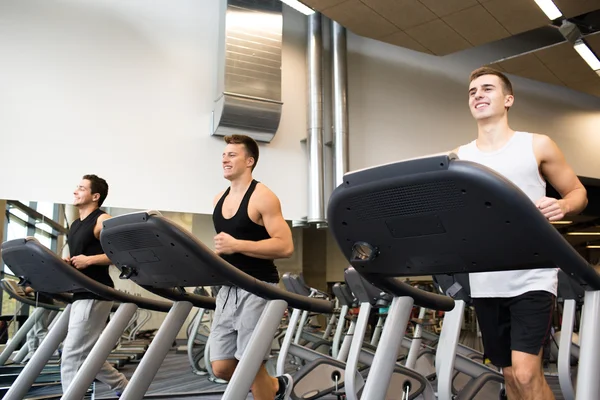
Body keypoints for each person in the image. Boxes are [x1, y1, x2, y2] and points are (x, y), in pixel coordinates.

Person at [451, 67, 588, 400]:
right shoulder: (458, 158)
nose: (478, 95)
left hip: (531, 276)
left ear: (508, 99)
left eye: (487, 89)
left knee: (527, 373)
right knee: (510, 375)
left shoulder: (536, 145)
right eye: (472, 92)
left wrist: (564, 207)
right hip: (486, 280)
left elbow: (577, 192)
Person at [209, 134, 294, 400]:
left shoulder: (263, 197)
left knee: (250, 365)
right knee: (221, 366)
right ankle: (276, 386)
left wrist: (237, 245)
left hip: (258, 288)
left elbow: (285, 246)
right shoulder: (218, 199)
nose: (225, 159)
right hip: (227, 290)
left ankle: (269, 388)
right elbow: (228, 247)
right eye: (224, 155)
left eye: (232, 155)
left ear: (249, 161)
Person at [61, 174, 128, 396]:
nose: (75, 191)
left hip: (95, 292)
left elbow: (121, 252)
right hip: (80, 292)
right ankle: (123, 386)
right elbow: (80, 256)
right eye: (76, 187)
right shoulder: (76, 224)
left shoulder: (101, 219)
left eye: (81, 188)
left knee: (72, 354)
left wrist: (89, 260)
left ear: (95, 196)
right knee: (87, 354)